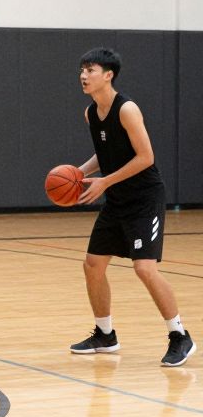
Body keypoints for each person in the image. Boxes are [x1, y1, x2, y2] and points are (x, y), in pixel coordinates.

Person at [69, 48, 195, 367]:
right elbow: (106, 153)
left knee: (144, 268)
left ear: (108, 74)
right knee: (93, 265)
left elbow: (145, 157)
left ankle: (180, 335)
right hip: (117, 199)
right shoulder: (91, 112)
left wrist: (105, 182)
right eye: (82, 69)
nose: (84, 75)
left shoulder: (127, 109)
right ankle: (105, 334)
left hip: (144, 199)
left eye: (91, 69)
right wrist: (80, 173)